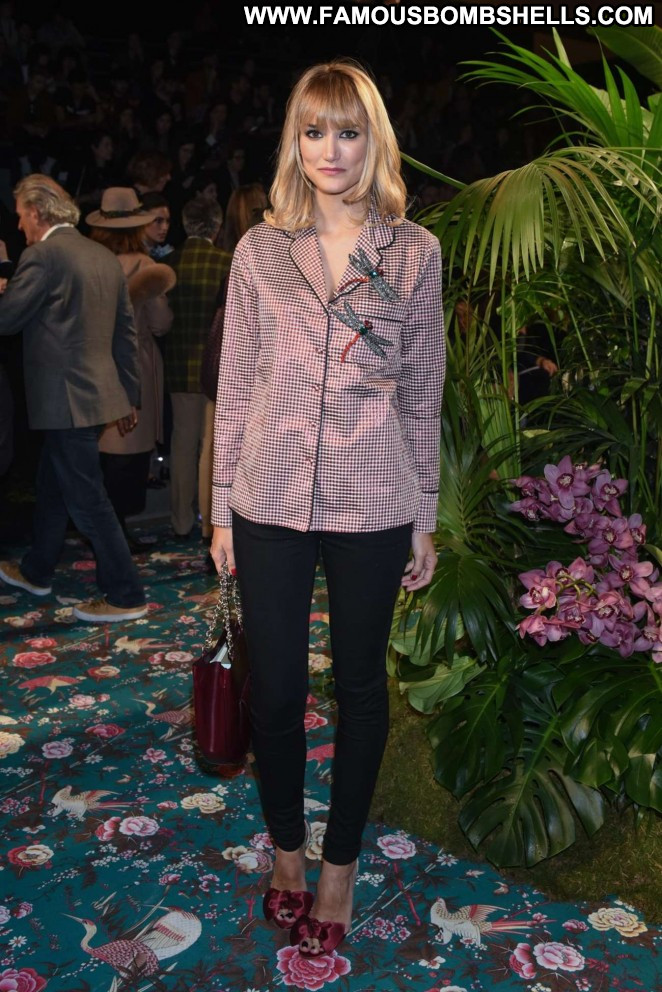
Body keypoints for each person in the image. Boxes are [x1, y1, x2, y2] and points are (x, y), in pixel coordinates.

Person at [210, 60, 445, 958]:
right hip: (267, 493)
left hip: (374, 494)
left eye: (348, 132)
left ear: (372, 140)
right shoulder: (260, 251)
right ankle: (286, 852)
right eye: (314, 131)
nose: (330, 150)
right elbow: (236, 386)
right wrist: (220, 513)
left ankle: (339, 866)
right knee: (274, 689)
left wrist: (423, 512)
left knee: (358, 689)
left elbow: (422, 391)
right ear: (294, 141)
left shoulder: (414, 252)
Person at [0, 174, 147, 622]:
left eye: (21, 215)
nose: (19, 225)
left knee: (87, 499)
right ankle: (37, 570)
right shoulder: (101, 255)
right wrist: (130, 396)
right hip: (97, 396)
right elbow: (126, 334)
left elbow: (7, 319)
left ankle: (126, 594)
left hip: (65, 400)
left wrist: (4, 274)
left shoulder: (42, 255)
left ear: (37, 212)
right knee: (53, 485)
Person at [87, 188, 175, 547]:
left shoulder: (91, 262)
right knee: (128, 454)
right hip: (133, 363)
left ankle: (105, 530)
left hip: (93, 363)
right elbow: (161, 323)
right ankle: (114, 534)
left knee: (103, 452)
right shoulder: (144, 267)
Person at [165, 197, 231, 539]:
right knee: (212, 449)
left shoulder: (169, 264)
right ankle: (210, 524)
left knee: (182, 445)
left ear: (185, 223)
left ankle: (180, 520)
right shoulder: (226, 263)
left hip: (178, 366)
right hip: (216, 369)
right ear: (216, 226)